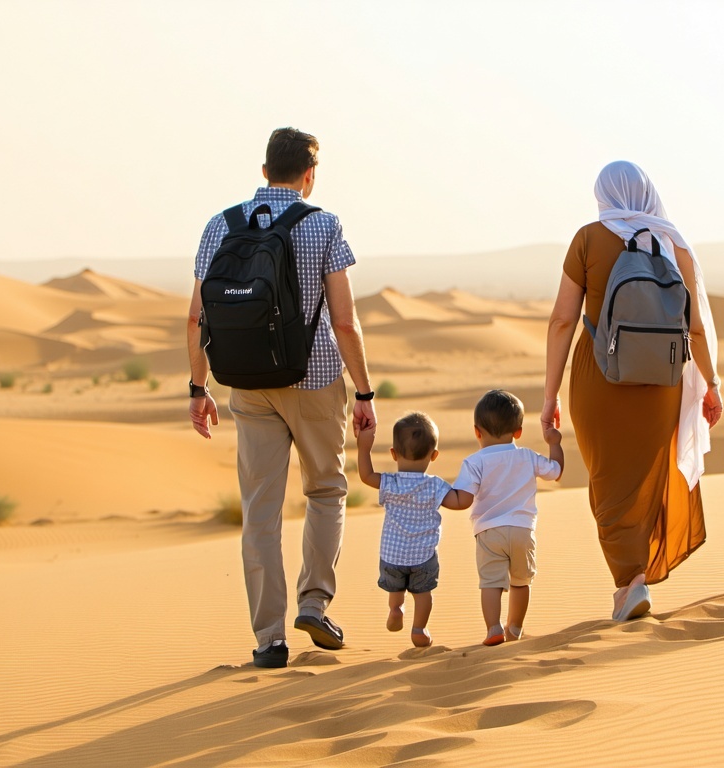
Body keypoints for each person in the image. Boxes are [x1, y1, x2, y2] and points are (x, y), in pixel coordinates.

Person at [186, 127, 377, 669]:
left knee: (260, 512)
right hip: (314, 380)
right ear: (309, 175)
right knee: (325, 490)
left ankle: (269, 639)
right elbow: (344, 320)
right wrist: (364, 390)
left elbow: (198, 316)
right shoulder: (323, 225)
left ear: (265, 169)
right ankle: (314, 602)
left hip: (245, 384)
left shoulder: (220, 225)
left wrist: (198, 387)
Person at [541, 160, 723, 623]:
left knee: (607, 481)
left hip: (599, 377)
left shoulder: (587, 238)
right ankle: (634, 580)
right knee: (645, 474)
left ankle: (630, 582)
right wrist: (712, 384)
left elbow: (563, 320)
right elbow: (695, 329)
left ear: (603, 194)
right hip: (661, 381)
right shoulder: (671, 241)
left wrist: (549, 395)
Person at [449, 390, 564, 646]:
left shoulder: (473, 462)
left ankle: (493, 628)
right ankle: (515, 628)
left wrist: (440, 495)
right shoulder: (527, 456)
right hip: (523, 530)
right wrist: (554, 442)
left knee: (491, 584)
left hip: (489, 532)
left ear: (477, 431)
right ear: (519, 431)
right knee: (521, 582)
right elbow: (555, 472)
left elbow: (463, 499)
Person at [354, 412, 460, 648]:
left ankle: (395, 608)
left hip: (392, 556)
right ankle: (419, 628)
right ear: (434, 456)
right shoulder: (435, 485)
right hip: (423, 556)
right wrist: (473, 484)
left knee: (396, 585)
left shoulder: (390, 482)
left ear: (393, 453)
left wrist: (364, 448)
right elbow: (459, 502)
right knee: (423, 594)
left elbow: (366, 475)